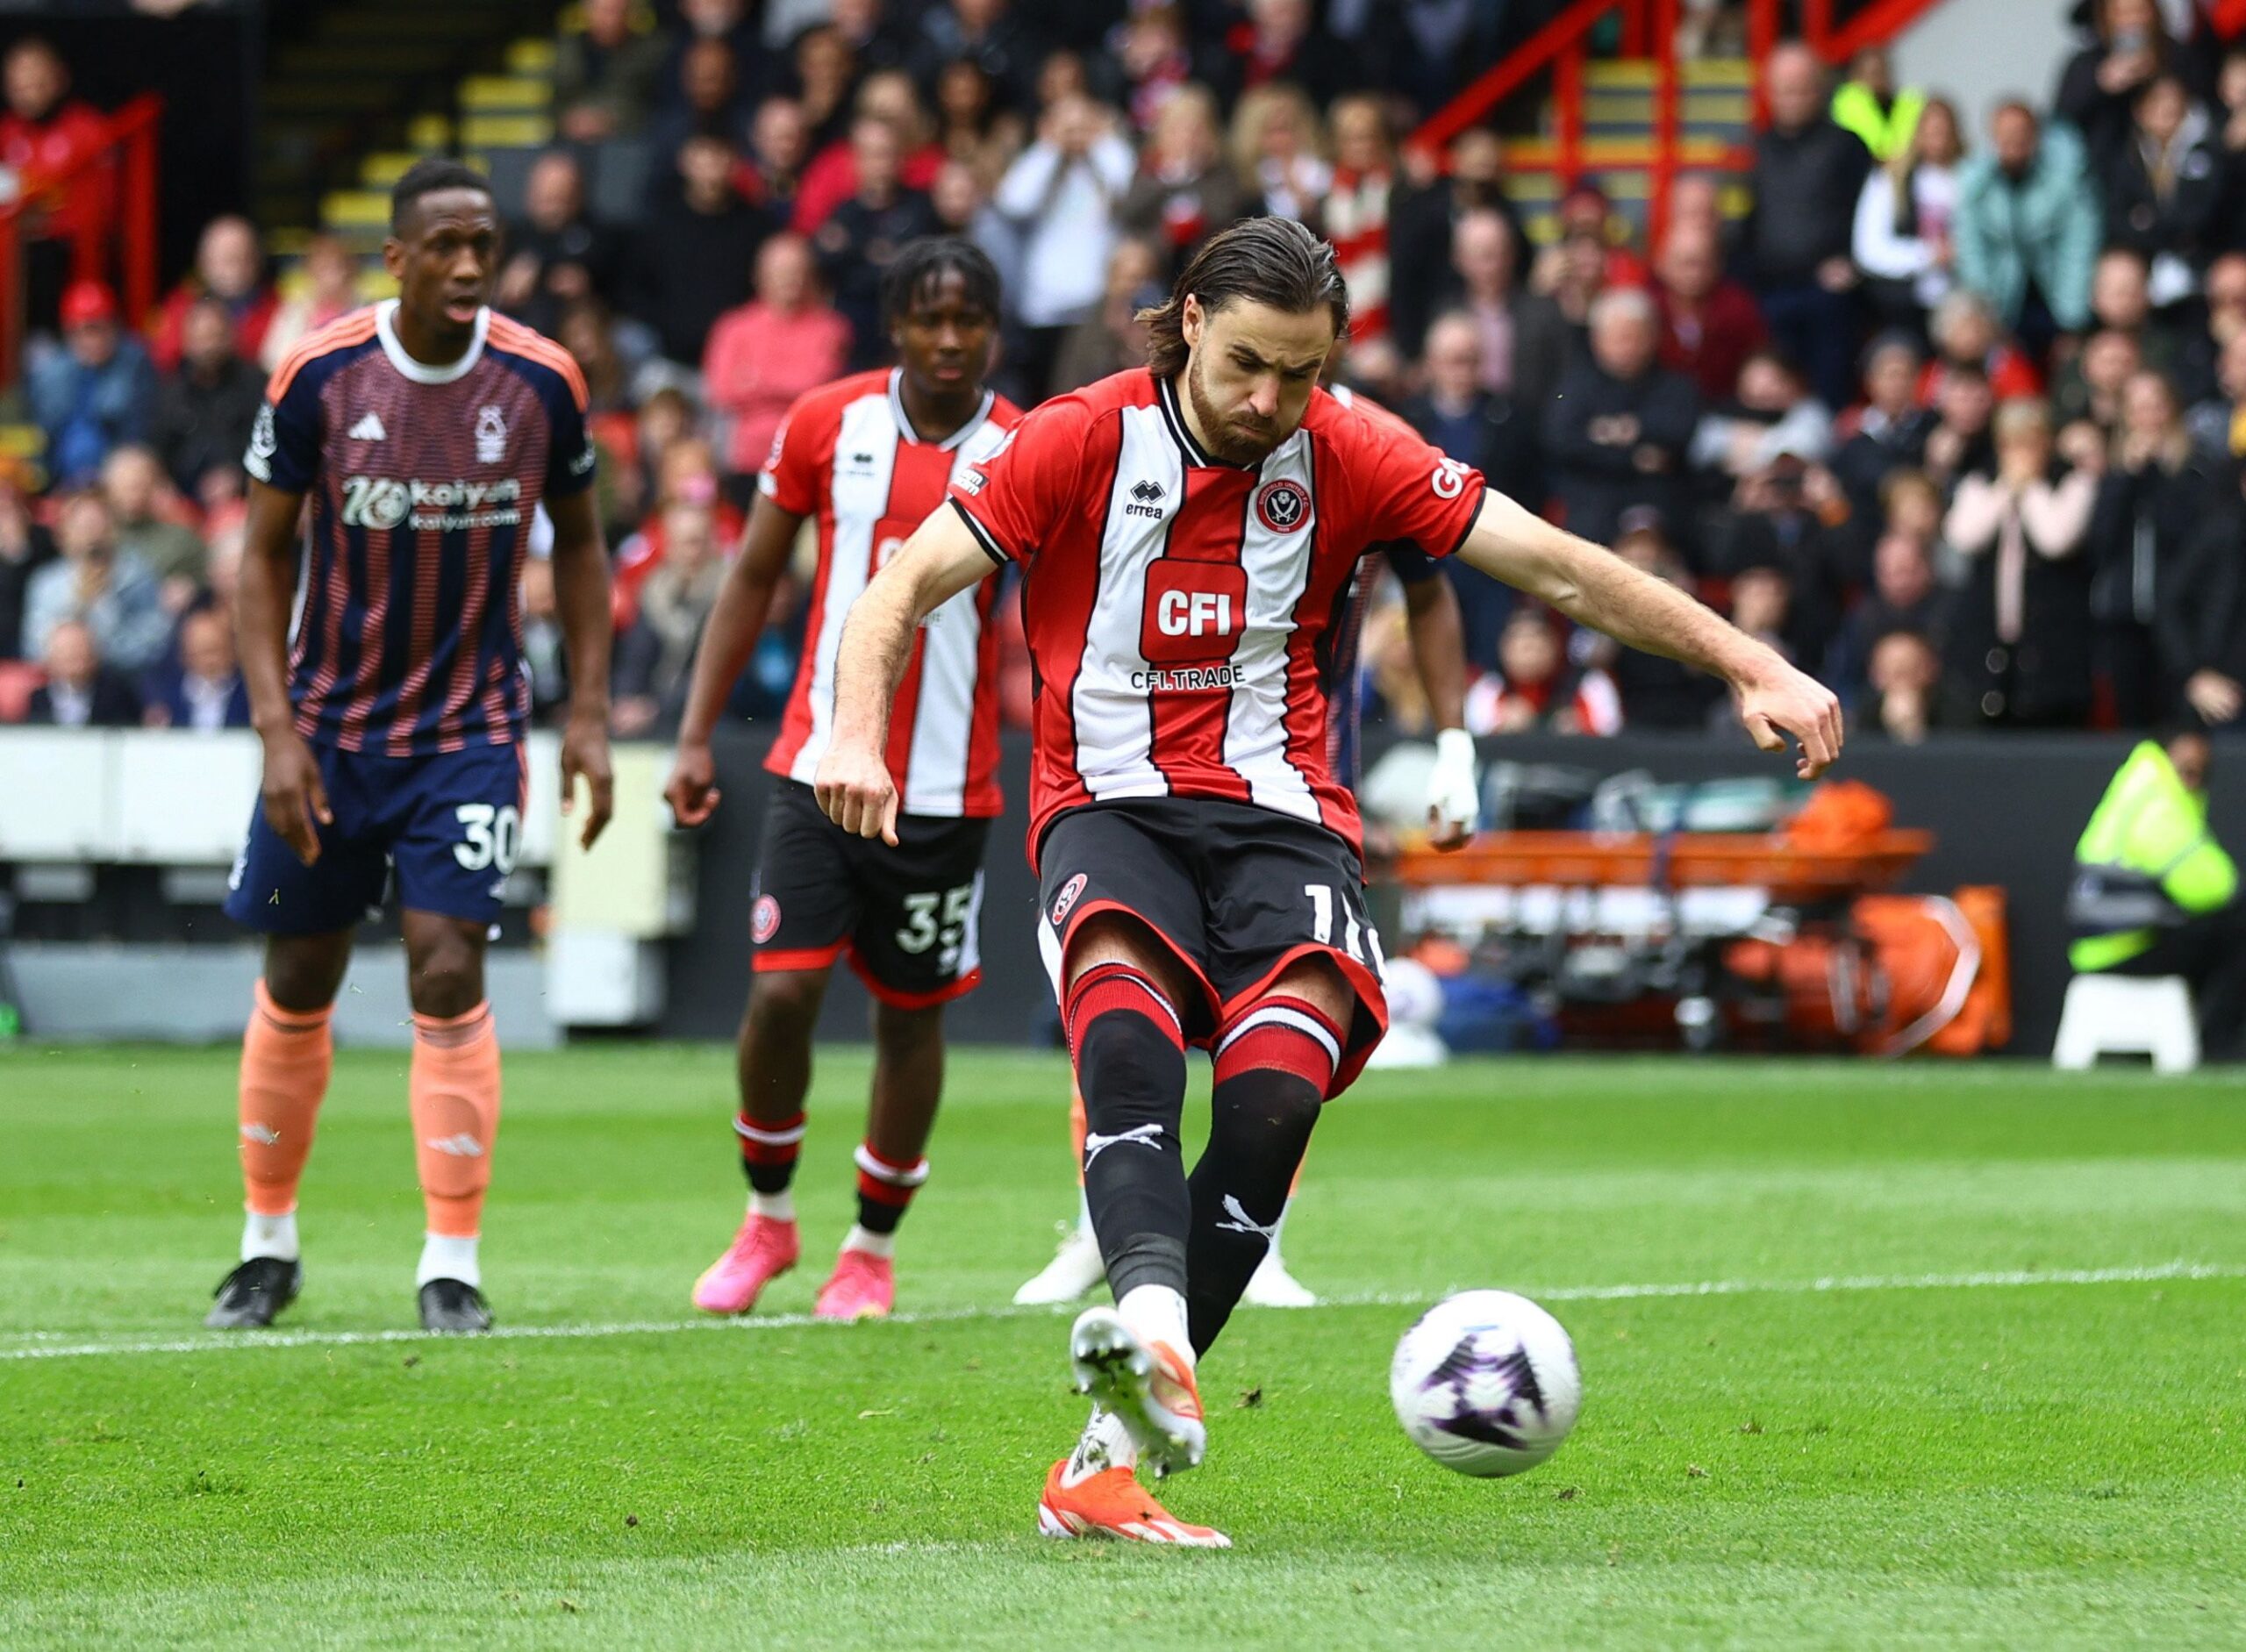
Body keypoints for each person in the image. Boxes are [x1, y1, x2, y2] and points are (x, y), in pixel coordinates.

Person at [810, 216, 1840, 1545]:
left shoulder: (1350, 446)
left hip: (1285, 818)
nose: (1269, 401)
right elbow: (904, 583)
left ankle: (1104, 1458)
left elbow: (1556, 567)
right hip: (1107, 805)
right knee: (1125, 1046)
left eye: (1300, 372)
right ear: (1187, 320)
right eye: (1247, 364)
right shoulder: (1073, 438)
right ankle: (1160, 1341)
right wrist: (852, 726)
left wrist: (1747, 660)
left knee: (1272, 1105)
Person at [206, 159, 616, 1334]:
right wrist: (275, 730)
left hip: (470, 728)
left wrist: (585, 709)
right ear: (397, 258)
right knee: (301, 972)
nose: (470, 266)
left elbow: (582, 547)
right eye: (444, 246)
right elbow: (262, 560)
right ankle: (267, 1242)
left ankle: (451, 1261)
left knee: (447, 963)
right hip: (329, 731)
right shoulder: (320, 375)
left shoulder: (542, 381)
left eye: (484, 244)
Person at [664, 240, 1021, 1323]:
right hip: (816, 765)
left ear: (993, 330)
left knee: (910, 1019)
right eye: (929, 318)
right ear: (895, 326)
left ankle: (868, 1248)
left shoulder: (1023, 445)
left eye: (969, 320)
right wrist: (691, 733)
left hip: (948, 790)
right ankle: (767, 1218)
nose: (950, 340)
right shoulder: (827, 420)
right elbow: (756, 575)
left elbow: (1059, 616)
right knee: (780, 991)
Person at [2068, 727, 2244, 1062]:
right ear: (2165, 757)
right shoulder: (2158, 804)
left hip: (2102, 945)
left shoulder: (2136, 787)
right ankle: (2216, 1050)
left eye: (2199, 773)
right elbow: (2214, 888)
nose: (2192, 780)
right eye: (2186, 769)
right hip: (2123, 947)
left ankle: (2189, 1044)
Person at [1942, 397, 2098, 727]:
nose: (2019, 453)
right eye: (2011, 443)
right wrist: (2005, 490)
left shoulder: (2071, 481)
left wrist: (2030, 490)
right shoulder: (1981, 481)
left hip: (2052, 641)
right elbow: (1963, 536)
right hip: (1990, 637)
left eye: (2029, 442)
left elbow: (2056, 539)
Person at [1741, 44, 1871, 411]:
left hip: (1826, 289)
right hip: (1769, 289)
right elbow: (1747, 221)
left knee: (1829, 394)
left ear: (1820, 89)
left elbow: (1867, 213)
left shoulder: (1846, 145)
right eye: (1784, 89)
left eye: (1802, 88)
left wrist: (1850, 261)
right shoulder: (1758, 148)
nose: (1793, 98)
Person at [1542, 287, 1699, 548]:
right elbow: (1561, 440)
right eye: (1619, 338)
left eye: (1635, 337)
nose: (1628, 347)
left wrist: (1610, 434)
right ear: (1597, 340)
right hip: (1592, 501)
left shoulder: (1675, 386)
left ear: (1653, 337)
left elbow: (1678, 432)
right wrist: (1634, 457)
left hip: (1659, 502)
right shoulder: (1575, 387)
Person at [701, 233, 853, 483]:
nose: (791, 278)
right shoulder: (733, 327)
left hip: (808, 458)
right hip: (744, 460)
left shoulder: (831, 328)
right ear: (759, 275)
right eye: (781, 271)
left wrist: (755, 381)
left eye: (797, 270)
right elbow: (721, 391)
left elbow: (817, 387)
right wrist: (789, 386)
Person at [1953, 103, 2100, 349]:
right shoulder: (1974, 185)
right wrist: (1986, 317)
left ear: (2036, 136)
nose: (2014, 140)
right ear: (1993, 136)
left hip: (2055, 297)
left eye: (2021, 132)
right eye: (2005, 132)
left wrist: (2072, 321)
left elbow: (2078, 249)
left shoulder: (2064, 182)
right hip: (2000, 303)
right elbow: (1971, 252)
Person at [30, 280, 156, 490]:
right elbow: (42, 436)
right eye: (79, 331)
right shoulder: (51, 372)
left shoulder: (135, 364)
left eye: (96, 329)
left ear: (114, 326)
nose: (89, 340)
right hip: (60, 484)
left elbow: (137, 435)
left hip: (116, 483)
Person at [21, 491, 167, 670]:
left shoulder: (137, 577)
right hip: (66, 683)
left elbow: (156, 640)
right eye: (83, 527)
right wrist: (78, 606)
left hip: (125, 679)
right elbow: (34, 648)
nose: (92, 536)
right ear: (64, 534)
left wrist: (102, 646)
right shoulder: (47, 584)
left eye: (98, 525)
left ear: (113, 530)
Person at [154, 297, 267, 500]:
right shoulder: (171, 392)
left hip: (246, 497)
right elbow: (158, 453)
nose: (208, 346)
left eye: (215, 336)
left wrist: (239, 478)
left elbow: (270, 451)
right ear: (187, 341)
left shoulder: (258, 385)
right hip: (184, 502)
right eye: (201, 338)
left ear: (231, 337)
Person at [144, 604, 250, 731]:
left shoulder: (249, 697)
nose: (209, 662)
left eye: (214, 651)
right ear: (185, 656)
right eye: (199, 653)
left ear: (232, 651)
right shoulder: (166, 701)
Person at [26, 618, 139, 727]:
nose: (74, 656)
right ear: (50, 659)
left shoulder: (117, 697)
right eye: (66, 652)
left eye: (79, 650)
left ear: (94, 656)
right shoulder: (37, 700)